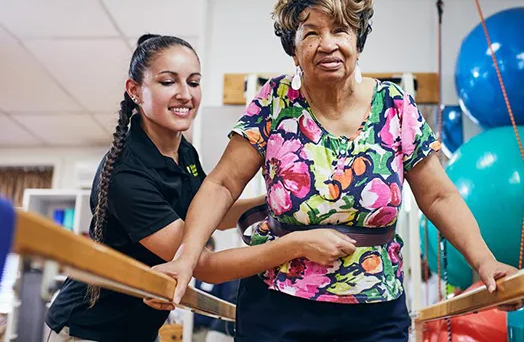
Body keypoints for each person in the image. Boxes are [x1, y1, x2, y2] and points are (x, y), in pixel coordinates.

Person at [152, 0, 519, 341]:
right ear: (293, 50)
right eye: (311, 33)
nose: (328, 44)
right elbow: (222, 183)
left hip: (375, 310)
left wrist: (484, 262)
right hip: (278, 307)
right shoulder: (274, 102)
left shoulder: (394, 106)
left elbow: (439, 196)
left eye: (340, 30)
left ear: (357, 43)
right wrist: (186, 258)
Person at [44, 34, 357, 342]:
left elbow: (211, 216)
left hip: (139, 329)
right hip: (89, 328)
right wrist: (298, 244)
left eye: (193, 82)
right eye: (168, 82)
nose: (185, 94)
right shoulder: (126, 172)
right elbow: (201, 264)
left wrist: (286, 202)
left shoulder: (184, 153)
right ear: (135, 91)